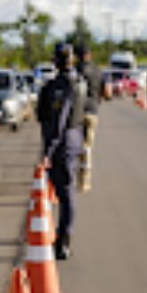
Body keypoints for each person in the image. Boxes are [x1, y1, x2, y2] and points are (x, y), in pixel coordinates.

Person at [36, 41, 86, 260]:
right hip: (73, 139)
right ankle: (62, 236)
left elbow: (58, 121)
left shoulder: (62, 85)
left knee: (65, 194)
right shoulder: (78, 81)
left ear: (56, 60)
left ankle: (63, 241)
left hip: (63, 143)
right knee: (66, 192)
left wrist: (48, 151)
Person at [76, 44, 101, 193]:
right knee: (87, 148)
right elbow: (107, 92)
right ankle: (84, 182)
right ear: (90, 54)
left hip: (77, 113)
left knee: (73, 146)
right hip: (92, 111)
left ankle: (74, 178)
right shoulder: (98, 70)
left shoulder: (75, 70)